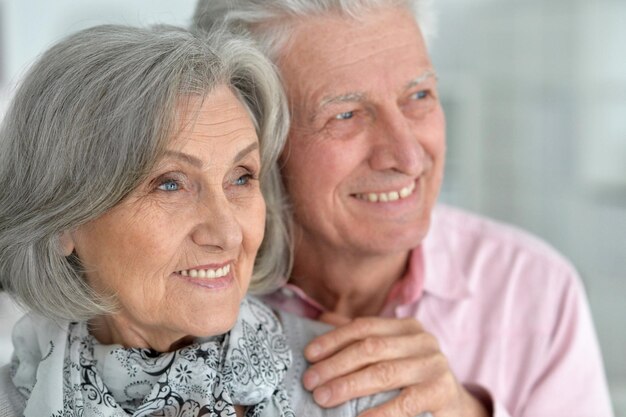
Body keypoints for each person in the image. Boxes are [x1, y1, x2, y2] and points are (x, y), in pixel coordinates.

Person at [192, 1, 615, 416]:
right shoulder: (184, 295)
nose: (408, 156)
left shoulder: (534, 289)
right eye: (346, 115)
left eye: (418, 95)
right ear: (251, 137)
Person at [0, 24, 412, 417]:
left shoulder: (359, 392)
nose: (228, 233)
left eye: (241, 177)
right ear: (62, 221)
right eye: (169, 185)